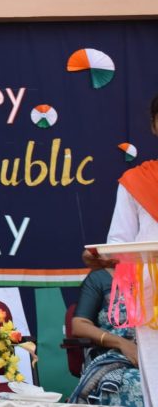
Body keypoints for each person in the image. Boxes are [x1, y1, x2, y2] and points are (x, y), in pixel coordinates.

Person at [82, 93, 158, 407]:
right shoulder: (136, 181)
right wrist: (101, 258)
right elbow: (119, 245)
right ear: (154, 125)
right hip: (153, 305)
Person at [68, 267, 143, 406]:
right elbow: (79, 325)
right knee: (136, 384)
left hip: (151, 358)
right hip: (116, 358)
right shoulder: (100, 279)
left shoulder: (153, 277)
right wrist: (122, 343)